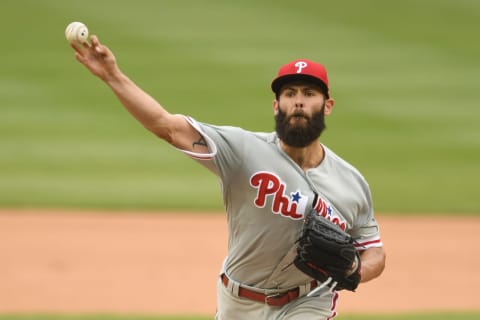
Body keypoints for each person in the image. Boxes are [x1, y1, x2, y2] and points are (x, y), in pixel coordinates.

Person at [70, 35, 386, 320]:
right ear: (277, 105)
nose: (299, 101)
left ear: (327, 105)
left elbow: (375, 251)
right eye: (289, 93)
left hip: (309, 302)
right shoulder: (243, 150)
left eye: (309, 93)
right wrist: (113, 76)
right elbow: (166, 126)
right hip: (238, 301)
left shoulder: (351, 182)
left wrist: (355, 269)